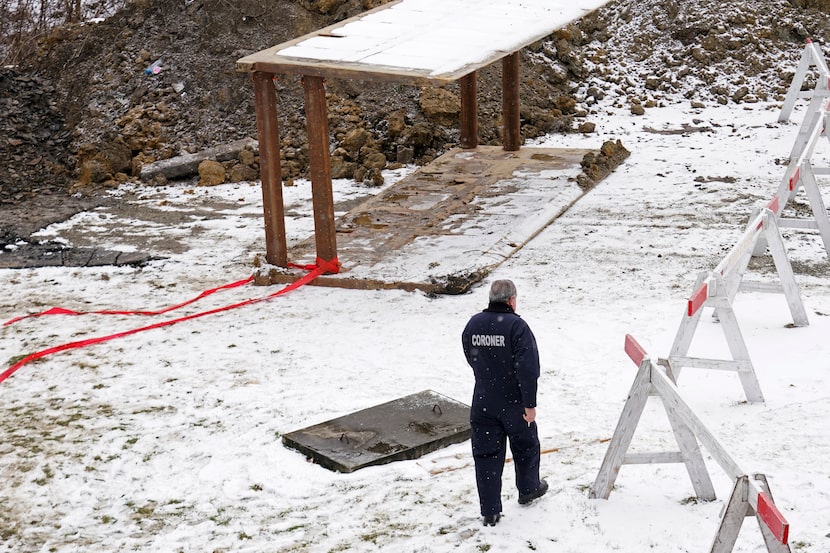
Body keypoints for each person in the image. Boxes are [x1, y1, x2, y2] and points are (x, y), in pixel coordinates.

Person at [461, 279, 548, 527]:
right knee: (525, 445)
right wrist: (529, 404)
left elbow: (470, 354)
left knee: (486, 454)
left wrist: (488, 375)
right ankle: (529, 488)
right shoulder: (517, 327)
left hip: (484, 400)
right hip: (514, 401)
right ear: (511, 300)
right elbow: (528, 369)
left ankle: (490, 510)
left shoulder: (473, 324)